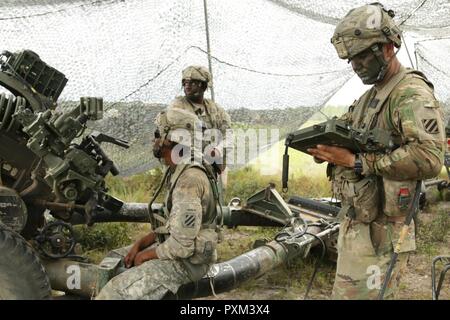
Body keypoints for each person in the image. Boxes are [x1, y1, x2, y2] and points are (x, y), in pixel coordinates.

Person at [308, 3, 445, 299]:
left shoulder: (410, 94)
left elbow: (429, 158)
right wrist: (327, 148)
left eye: (360, 56)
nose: (354, 65)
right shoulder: (370, 97)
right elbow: (348, 130)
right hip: (359, 225)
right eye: (350, 59)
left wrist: (359, 162)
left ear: (386, 48)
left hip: (383, 237)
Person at [96, 108, 220, 300]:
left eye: (157, 134)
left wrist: (146, 255)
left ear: (171, 139)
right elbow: (174, 224)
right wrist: (141, 243)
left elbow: (182, 247)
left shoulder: (189, 180)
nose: (154, 140)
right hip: (176, 249)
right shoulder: (179, 168)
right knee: (112, 259)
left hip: (187, 263)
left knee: (114, 294)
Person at [168, 65, 231, 175]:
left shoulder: (216, 110)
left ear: (203, 86)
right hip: (184, 166)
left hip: (209, 169)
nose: (187, 86)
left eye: (192, 83)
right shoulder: (177, 106)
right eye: (185, 83)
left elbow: (228, 137)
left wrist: (217, 150)